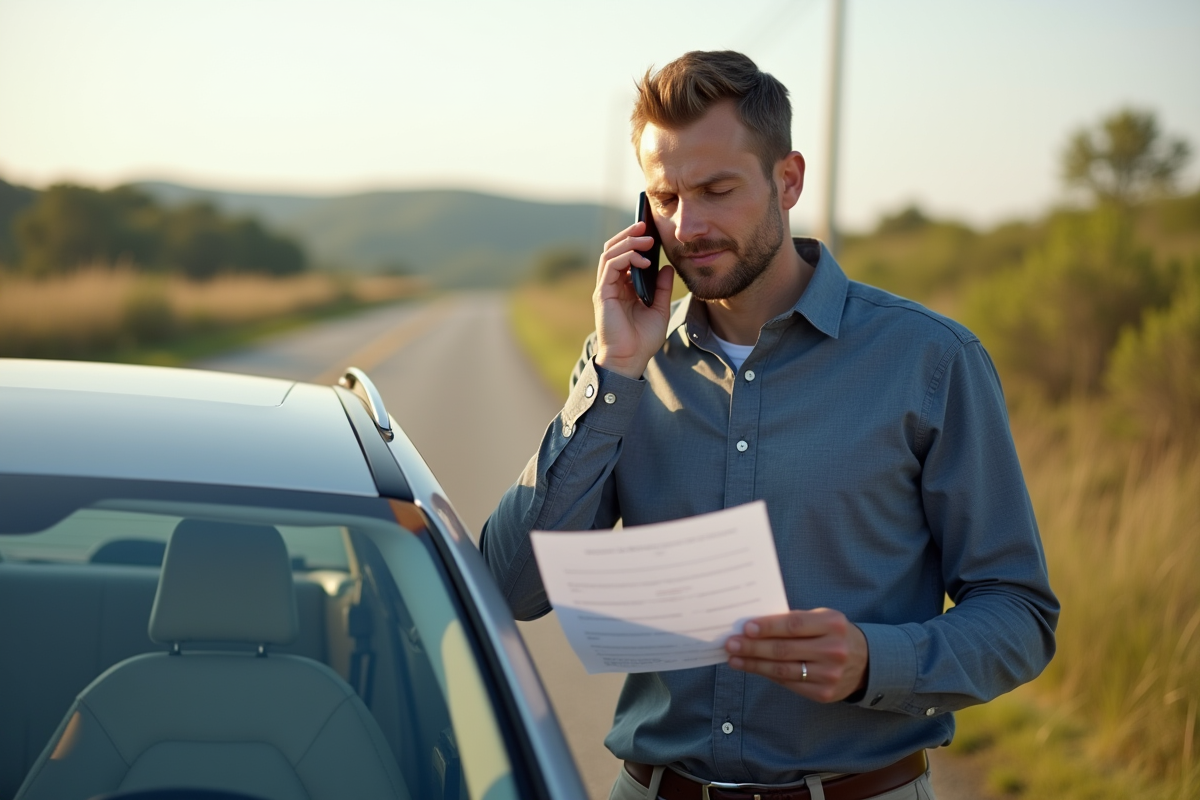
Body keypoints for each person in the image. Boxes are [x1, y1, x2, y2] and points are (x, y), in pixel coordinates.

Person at [479, 50, 1058, 800]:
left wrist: (874, 661)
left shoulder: (932, 360)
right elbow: (509, 587)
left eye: (717, 191)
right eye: (665, 197)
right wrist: (614, 369)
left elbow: (1019, 613)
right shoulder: (625, 367)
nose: (688, 226)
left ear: (788, 180)